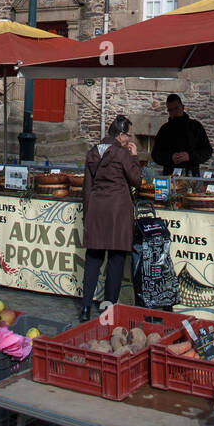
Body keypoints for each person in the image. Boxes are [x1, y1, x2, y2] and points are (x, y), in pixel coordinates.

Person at [81, 114, 142, 321]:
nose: (129, 139)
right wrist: (134, 156)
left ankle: (85, 307)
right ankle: (108, 310)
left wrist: (86, 216)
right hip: (117, 212)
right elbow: (137, 180)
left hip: (96, 210)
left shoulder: (92, 152)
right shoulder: (121, 153)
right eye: (128, 135)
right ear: (121, 134)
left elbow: (87, 188)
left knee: (93, 260)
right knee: (115, 262)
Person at [151, 94, 213, 176]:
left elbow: (207, 151)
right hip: (170, 175)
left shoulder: (195, 126)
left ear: (182, 107)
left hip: (191, 174)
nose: (174, 112)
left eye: (176, 108)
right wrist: (171, 157)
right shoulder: (164, 129)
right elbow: (155, 154)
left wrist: (190, 156)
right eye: (171, 110)